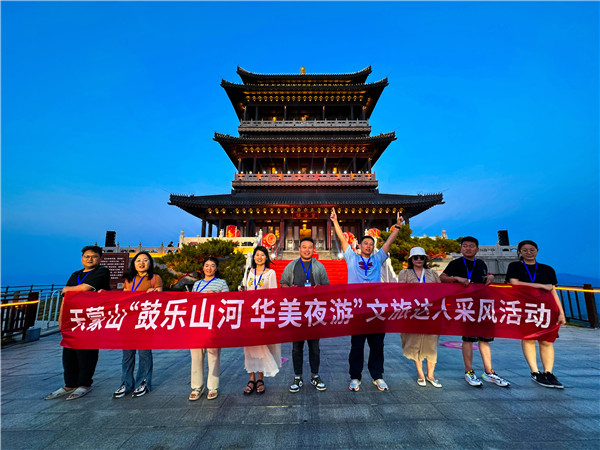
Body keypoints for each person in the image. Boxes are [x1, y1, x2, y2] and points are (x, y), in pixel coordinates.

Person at [330, 207, 403, 392]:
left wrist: (397, 227)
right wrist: (335, 222)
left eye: (371, 244)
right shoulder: (351, 258)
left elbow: (388, 243)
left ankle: (377, 376)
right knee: (357, 345)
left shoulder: (378, 259)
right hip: (357, 309)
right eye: (365, 244)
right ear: (359, 246)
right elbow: (341, 239)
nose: (368, 246)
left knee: (377, 345)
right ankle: (355, 377)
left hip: (376, 309)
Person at [440, 237, 510, 388]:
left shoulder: (481, 263)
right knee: (468, 339)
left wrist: (490, 276)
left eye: (471, 246)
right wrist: (457, 278)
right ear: (461, 249)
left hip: (482, 305)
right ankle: (469, 371)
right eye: (465, 246)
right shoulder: (455, 263)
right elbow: (442, 278)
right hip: (466, 305)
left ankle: (489, 372)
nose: (468, 249)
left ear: (477, 249)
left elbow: (486, 275)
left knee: (485, 340)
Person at [45, 245, 111, 401]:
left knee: (86, 351)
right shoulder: (76, 274)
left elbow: (85, 288)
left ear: (100, 258)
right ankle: (69, 384)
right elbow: (66, 298)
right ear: (82, 258)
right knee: (69, 353)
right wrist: (61, 319)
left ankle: (84, 384)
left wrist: (68, 289)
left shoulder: (102, 272)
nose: (90, 259)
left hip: (90, 318)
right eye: (86, 256)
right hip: (72, 318)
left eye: (94, 256)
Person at [505, 240, 566, 388]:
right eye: (524, 250)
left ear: (537, 251)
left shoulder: (547, 269)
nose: (529, 252)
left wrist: (561, 313)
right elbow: (514, 283)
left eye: (532, 250)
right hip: (525, 308)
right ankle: (535, 372)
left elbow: (553, 290)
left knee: (546, 340)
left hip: (546, 308)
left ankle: (548, 372)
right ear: (520, 252)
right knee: (529, 339)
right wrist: (539, 285)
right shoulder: (515, 266)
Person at [280, 237, 330, 393]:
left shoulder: (319, 266)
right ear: (299, 249)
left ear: (313, 249)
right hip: (296, 312)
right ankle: (298, 376)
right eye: (304, 247)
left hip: (314, 312)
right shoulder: (291, 266)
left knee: (315, 347)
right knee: (297, 347)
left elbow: (327, 287)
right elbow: (283, 284)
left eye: (309, 247)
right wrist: (289, 288)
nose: (307, 250)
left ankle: (315, 376)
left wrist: (319, 288)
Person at [113, 251, 163, 399]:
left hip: (145, 320)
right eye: (138, 260)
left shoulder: (155, 278)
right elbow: (123, 297)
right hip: (128, 320)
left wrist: (155, 292)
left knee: (144, 353)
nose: (141, 263)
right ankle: (126, 382)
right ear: (133, 263)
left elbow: (161, 296)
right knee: (127, 354)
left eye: (145, 260)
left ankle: (144, 382)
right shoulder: (129, 279)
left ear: (150, 263)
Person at [398, 247, 442, 388]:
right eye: (415, 257)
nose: (418, 260)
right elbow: (400, 292)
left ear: (425, 259)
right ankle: (420, 374)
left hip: (430, 314)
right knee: (415, 343)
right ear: (411, 259)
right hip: (413, 313)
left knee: (431, 344)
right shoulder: (404, 273)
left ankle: (431, 375)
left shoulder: (432, 273)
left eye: (421, 257)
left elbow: (441, 292)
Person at [242, 246, 281, 395]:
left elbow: (273, 294)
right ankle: (251, 378)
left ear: (266, 257)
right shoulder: (248, 272)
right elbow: (244, 290)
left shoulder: (270, 273)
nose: (259, 257)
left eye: (262, 255)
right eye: (257, 255)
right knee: (249, 348)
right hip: (248, 314)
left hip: (263, 313)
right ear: (254, 257)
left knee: (262, 346)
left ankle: (260, 378)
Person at [189, 256, 229, 401]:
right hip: (198, 322)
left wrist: (216, 296)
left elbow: (227, 302)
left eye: (212, 265)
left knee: (213, 354)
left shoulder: (221, 283)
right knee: (196, 356)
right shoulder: (197, 284)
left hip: (213, 322)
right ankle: (197, 386)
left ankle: (213, 386)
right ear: (203, 268)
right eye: (207, 265)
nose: (209, 268)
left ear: (216, 268)